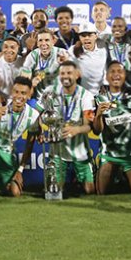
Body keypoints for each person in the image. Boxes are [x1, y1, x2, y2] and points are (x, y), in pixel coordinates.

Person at [0, 77, 40, 204]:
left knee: (15, 192)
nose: (19, 96)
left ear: (29, 94)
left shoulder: (33, 116)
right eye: (16, 92)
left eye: (23, 93)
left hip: (6, 154)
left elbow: (30, 143)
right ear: (11, 91)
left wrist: (20, 170)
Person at [39, 61, 95, 194]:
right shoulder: (50, 92)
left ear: (77, 75)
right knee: (55, 191)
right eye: (62, 73)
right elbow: (37, 113)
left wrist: (77, 130)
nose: (65, 76)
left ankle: (79, 178)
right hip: (58, 150)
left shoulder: (86, 96)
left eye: (69, 73)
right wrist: (40, 131)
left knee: (90, 190)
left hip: (80, 151)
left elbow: (89, 126)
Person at [92, 62, 131, 196]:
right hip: (110, 155)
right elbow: (97, 131)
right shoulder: (100, 98)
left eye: (119, 72)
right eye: (112, 72)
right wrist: (98, 115)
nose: (116, 75)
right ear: (107, 76)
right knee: (101, 193)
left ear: (125, 75)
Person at [22, 29, 66, 96]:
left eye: (47, 40)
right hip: (39, 98)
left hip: (59, 97)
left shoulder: (62, 53)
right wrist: (30, 84)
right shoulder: (32, 56)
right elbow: (24, 79)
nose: (43, 44)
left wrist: (39, 77)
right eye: (40, 40)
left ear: (53, 41)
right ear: (37, 43)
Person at [69, 22, 107, 97]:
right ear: (79, 37)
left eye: (89, 35)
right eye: (83, 36)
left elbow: (107, 70)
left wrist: (105, 84)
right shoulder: (73, 50)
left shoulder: (103, 51)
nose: (86, 38)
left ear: (96, 36)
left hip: (101, 94)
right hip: (80, 95)